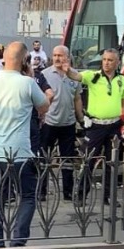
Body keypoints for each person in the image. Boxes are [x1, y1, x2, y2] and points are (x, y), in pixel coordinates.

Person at [0, 42, 49, 249]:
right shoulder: (27, 83)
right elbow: (44, 105)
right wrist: (30, 74)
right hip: (20, 152)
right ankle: (18, 239)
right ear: (25, 61)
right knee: (27, 195)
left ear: (3, 58)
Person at [62, 48, 124, 205]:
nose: (106, 63)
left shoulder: (121, 80)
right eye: (104, 59)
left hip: (114, 125)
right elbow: (76, 76)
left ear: (117, 62)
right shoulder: (93, 76)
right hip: (96, 126)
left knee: (112, 162)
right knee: (89, 160)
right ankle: (81, 194)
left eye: (110, 60)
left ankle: (108, 196)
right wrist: (67, 69)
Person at [40, 46, 84, 201]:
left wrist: (81, 119)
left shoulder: (75, 76)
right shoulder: (44, 75)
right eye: (54, 55)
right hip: (49, 123)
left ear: (67, 57)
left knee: (68, 160)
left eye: (60, 55)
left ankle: (68, 191)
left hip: (68, 123)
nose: (57, 58)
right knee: (44, 159)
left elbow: (77, 98)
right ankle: (42, 191)